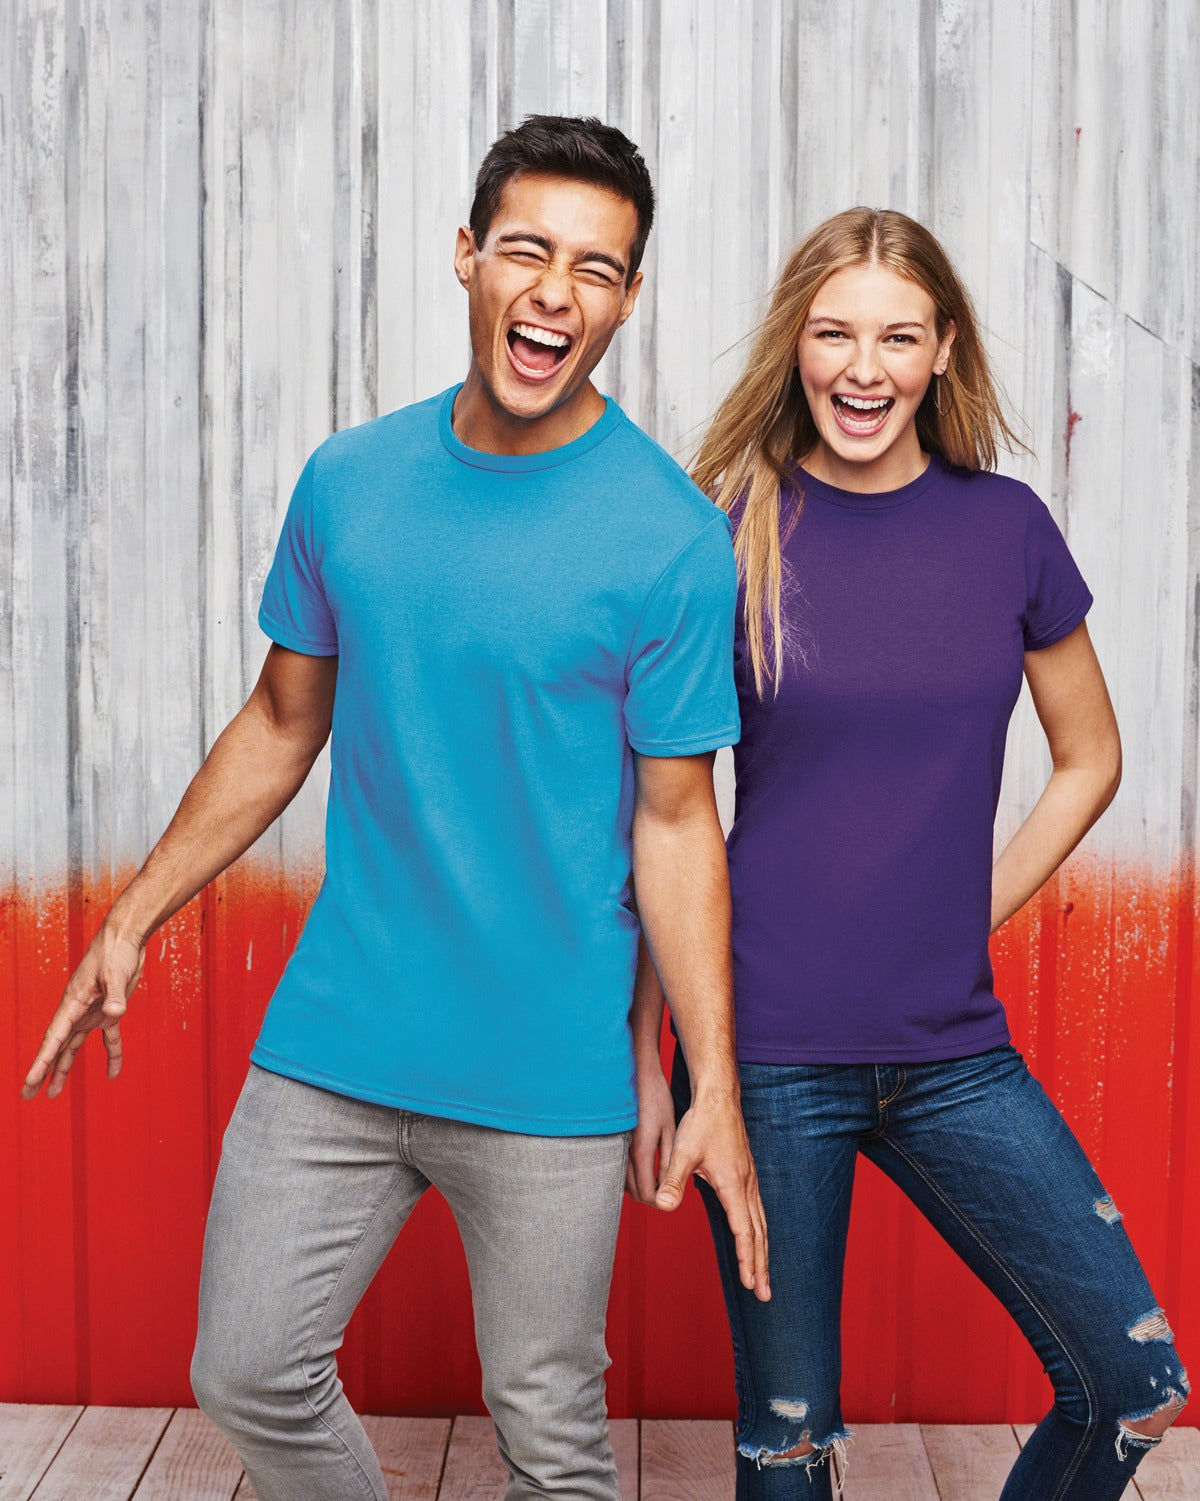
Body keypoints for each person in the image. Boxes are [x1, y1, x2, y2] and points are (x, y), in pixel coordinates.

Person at [22, 114, 768, 1501]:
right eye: (528, 251)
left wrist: (704, 1074)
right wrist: (133, 915)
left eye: (596, 268)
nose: (555, 291)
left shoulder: (667, 537)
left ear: (628, 299)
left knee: (551, 1437)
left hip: (549, 1069)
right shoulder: (351, 484)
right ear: (467, 256)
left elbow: (677, 822)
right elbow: (280, 722)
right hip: (342, 1035)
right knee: (247, 1370)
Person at [627, 207, 1187, 1499]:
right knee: (789, 1444)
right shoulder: (730, 532)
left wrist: (962, 910)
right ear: (797, 346)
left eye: (896, 337)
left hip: (951, 1050)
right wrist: (655, 1058)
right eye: (834, 334)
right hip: (764, 1053)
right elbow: (664, 812)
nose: (862, 368)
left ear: (943, 351)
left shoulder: (1007, 530)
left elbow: (1091, 757)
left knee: (1133, 1382)